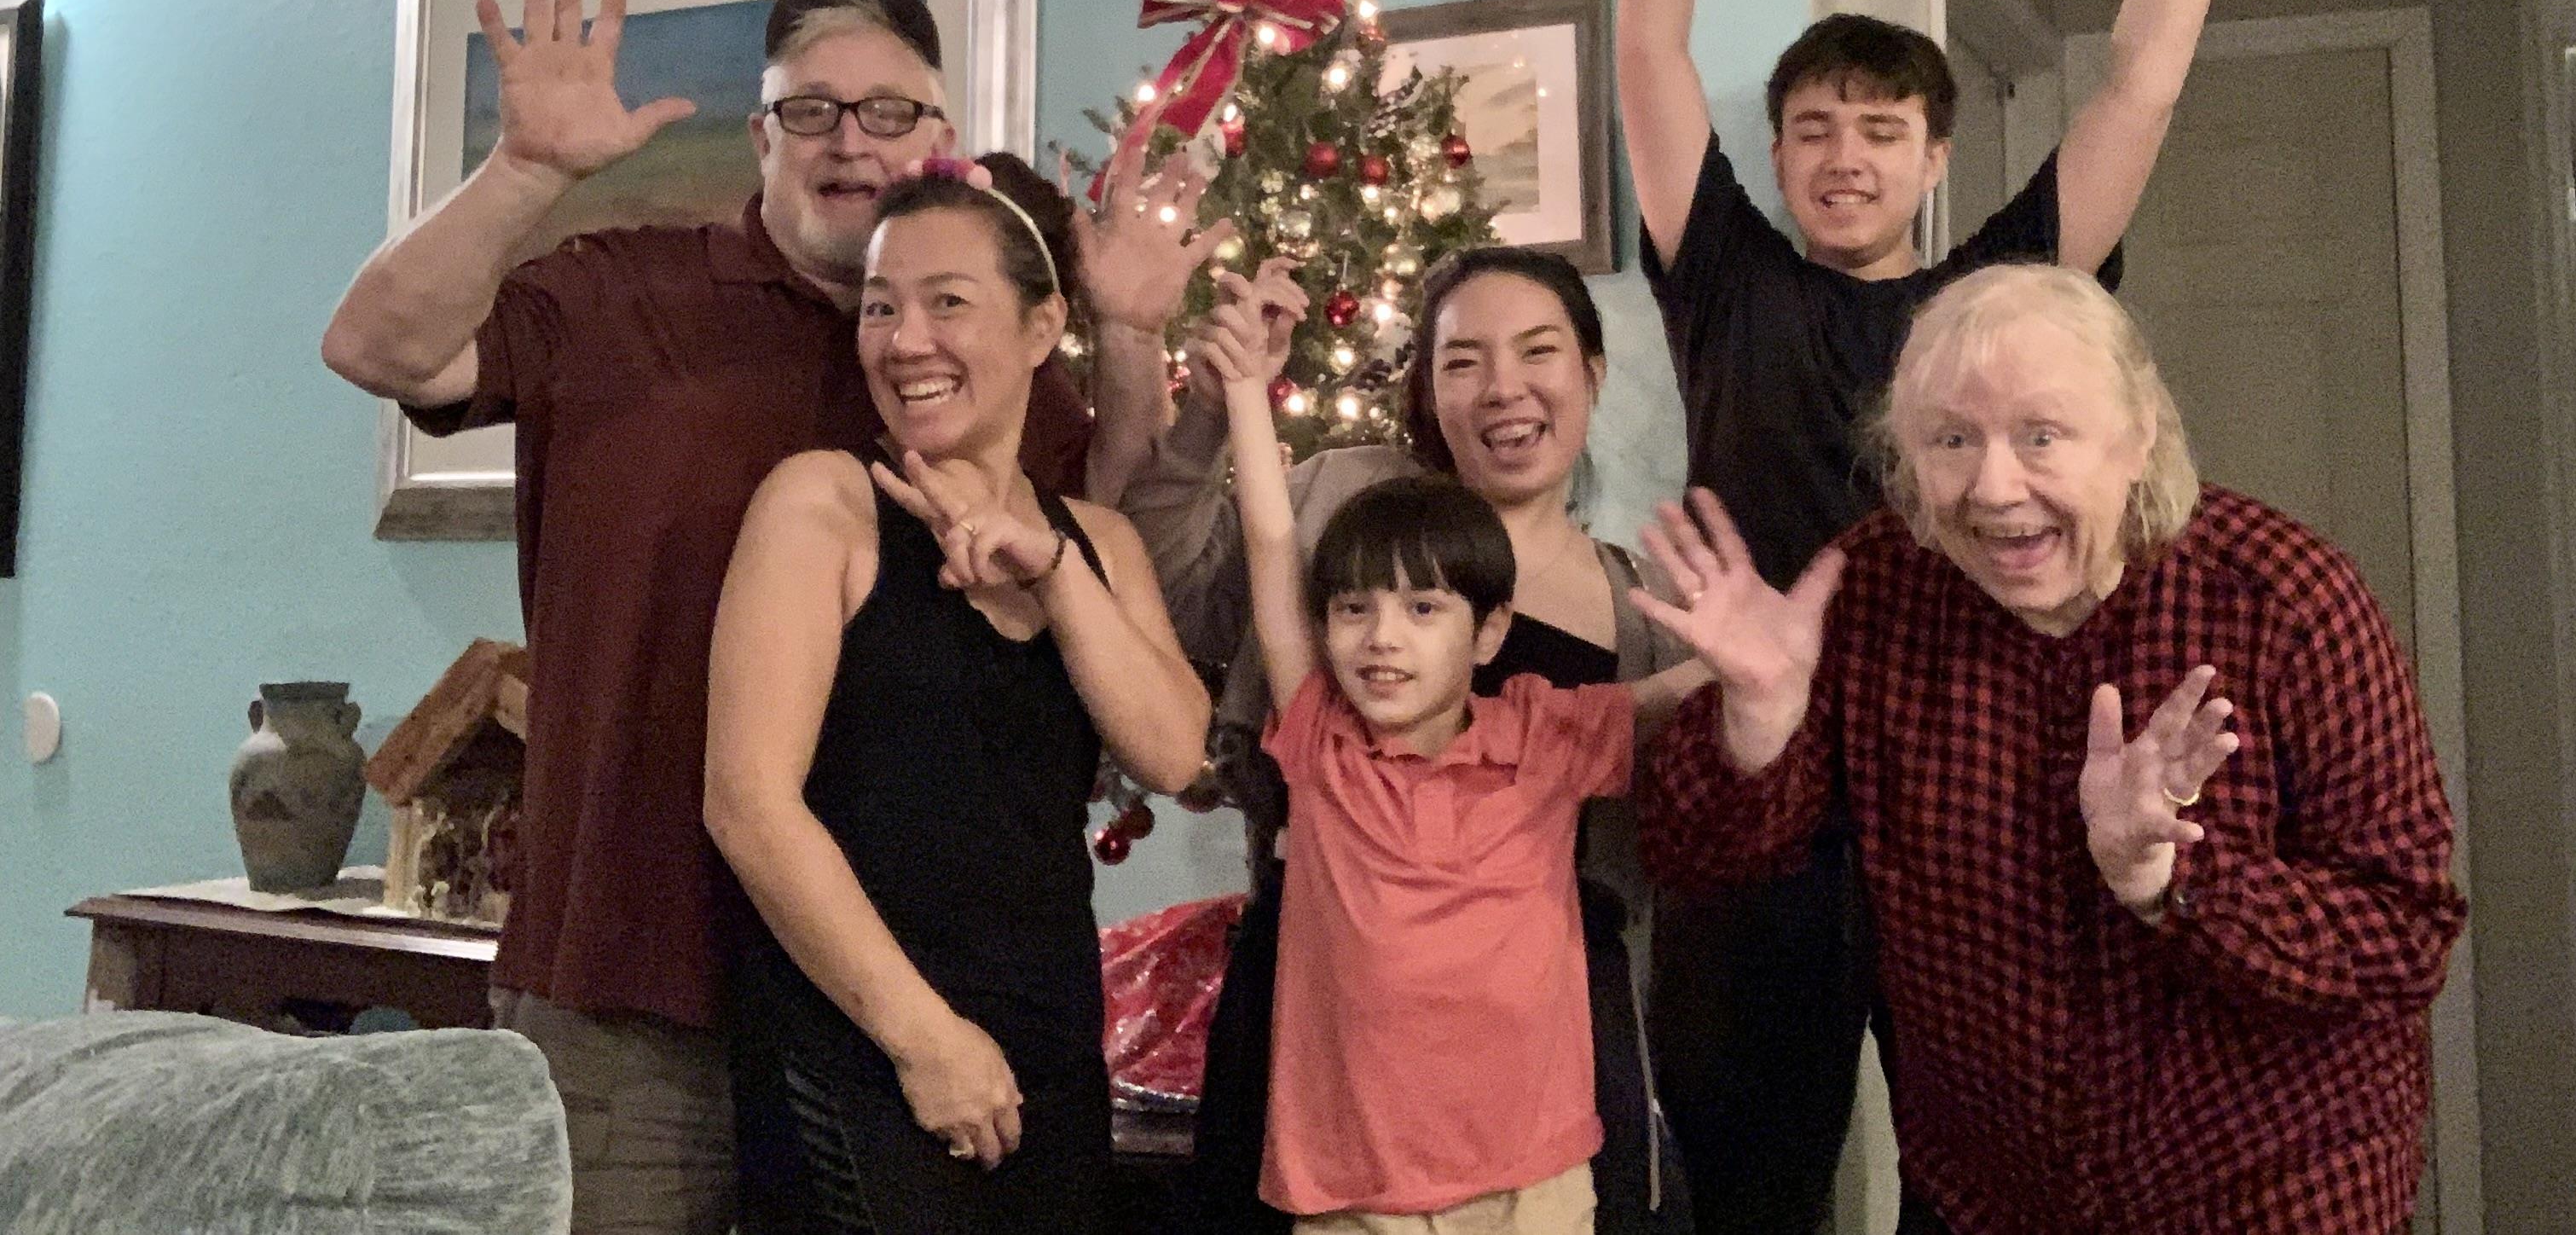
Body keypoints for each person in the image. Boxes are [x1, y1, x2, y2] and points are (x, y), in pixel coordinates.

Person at [318, 0, 1224, 1233]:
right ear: (762, 135)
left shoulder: (953, 364)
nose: (850, 139)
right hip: (640, 993)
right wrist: (523, 170)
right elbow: (375, 348)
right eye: (811, 108)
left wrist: (1128, 337)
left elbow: (1103, 545)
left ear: (937, 136)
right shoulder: (623, 290)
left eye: (888, 110)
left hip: (887, 1006)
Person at [1615, 0, 2323, 1231]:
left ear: (1934, 158)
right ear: (1776, 156)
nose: (1843, 157)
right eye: (1813, 130)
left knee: (1997, 1182)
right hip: (1762, 784)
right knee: (1742, 1196)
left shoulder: (2006, 296)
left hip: (1961, 786)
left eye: (1880, 130)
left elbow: (2138, 87)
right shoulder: (1726, 283)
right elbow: (1647, 47)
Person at [1632, 263, 2466, 1235]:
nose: (1994, 488)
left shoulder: (2284, 599)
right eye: (1952, 440)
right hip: (1989, 1195)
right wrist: (1759, 719)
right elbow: (1698, 856)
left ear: (2137, 437)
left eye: (2041, 435)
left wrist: (2167, 880)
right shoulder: (1871, 591)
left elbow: (2402, 935)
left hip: (2273, 1184)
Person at [1119, 246, 1702, 1233]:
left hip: (1532, 1089)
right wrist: (1230, 399)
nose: (1504, 387)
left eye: (1538, 351)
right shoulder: (1344, 514)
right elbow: (1206, 569)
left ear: (1592, 373)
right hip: (1336, 1066)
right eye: (1463, 360)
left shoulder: (1624, 621)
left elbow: (1671, 720)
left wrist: (1761, 656)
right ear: (1427, 389)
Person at [704, 154, 1213, 1233]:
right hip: (862, 1052)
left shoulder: (1096, 543)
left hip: (1051, 1058)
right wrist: (923, 1039)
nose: (905, 341)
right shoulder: (820, 505)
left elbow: (1173, 753)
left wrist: (1055, 572)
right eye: (881, 306)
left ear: (1041, 329)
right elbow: (748, 805)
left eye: (948, 303)